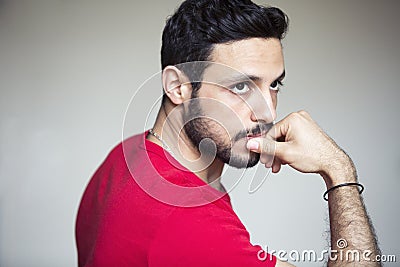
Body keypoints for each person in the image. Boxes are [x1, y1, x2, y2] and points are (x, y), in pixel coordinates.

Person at [75, 0, 381, 266]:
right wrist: (339, 171)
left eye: (273, 85)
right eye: (240, 86)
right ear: (178, 87)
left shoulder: (128, 156)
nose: (268, 113)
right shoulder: (189, 222)